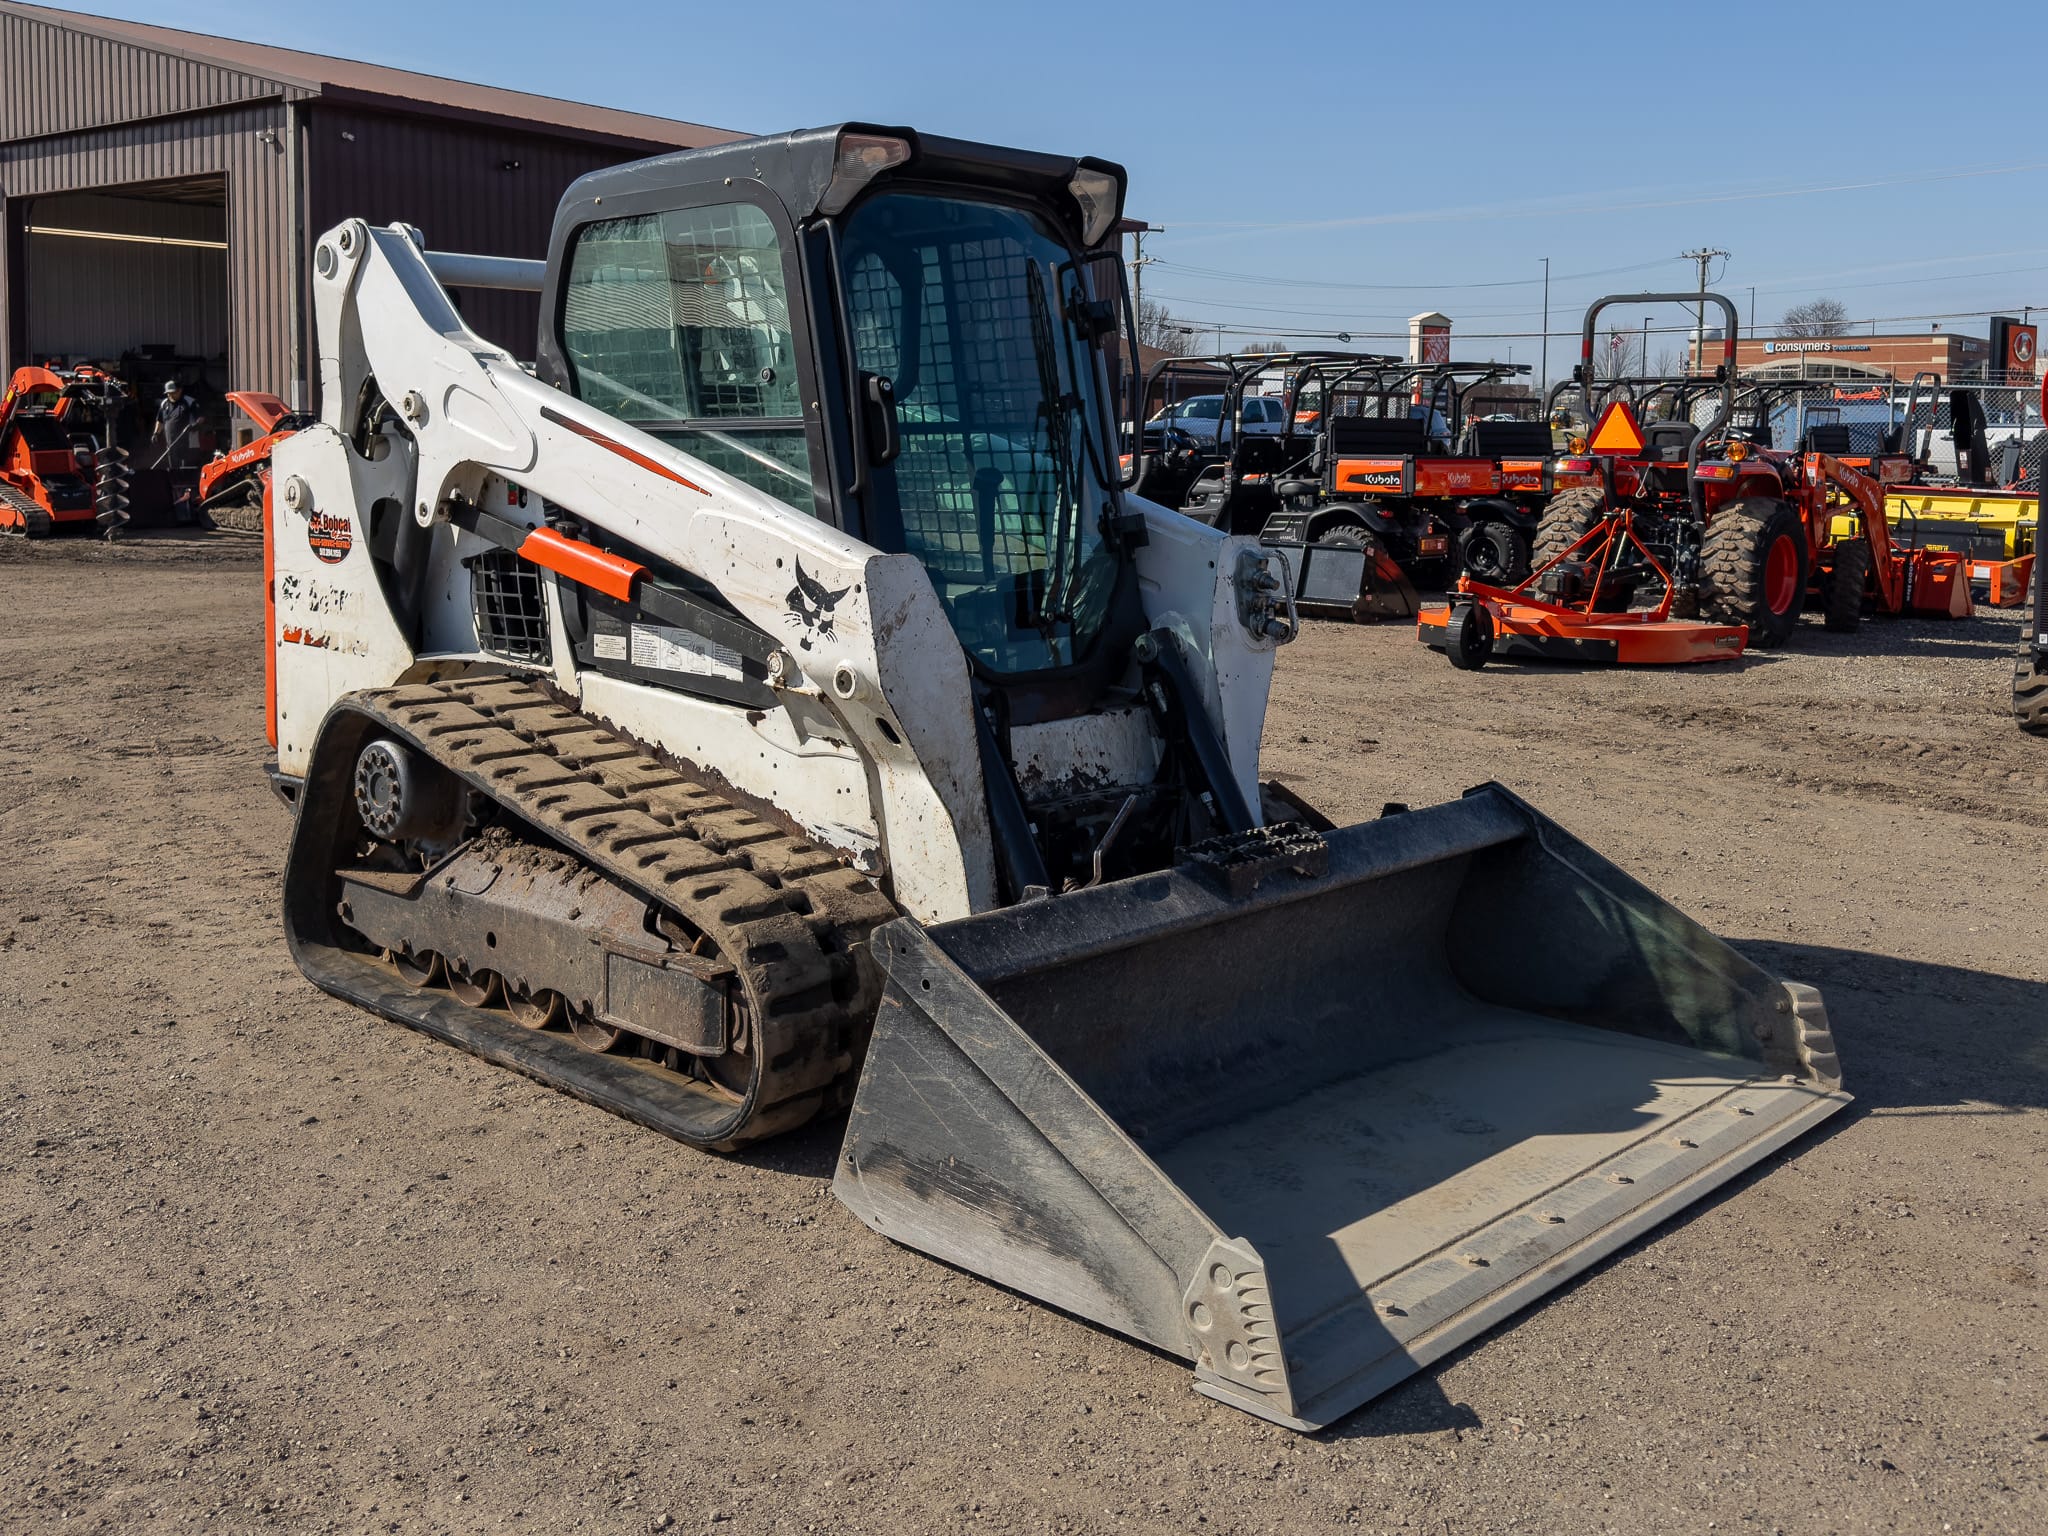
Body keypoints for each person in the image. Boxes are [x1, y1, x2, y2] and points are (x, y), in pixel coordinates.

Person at [154, 380, 199, 472]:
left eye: (173, 393)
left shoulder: (189, 402)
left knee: (187, 467)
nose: (170, 395)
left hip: (188, 442)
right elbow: (160, 421)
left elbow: (200, 417)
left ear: (180, 390)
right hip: (171, 442)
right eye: (168, 393)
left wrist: (195, 425)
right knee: (173, 468)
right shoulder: (164, 404)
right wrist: (156, 433)